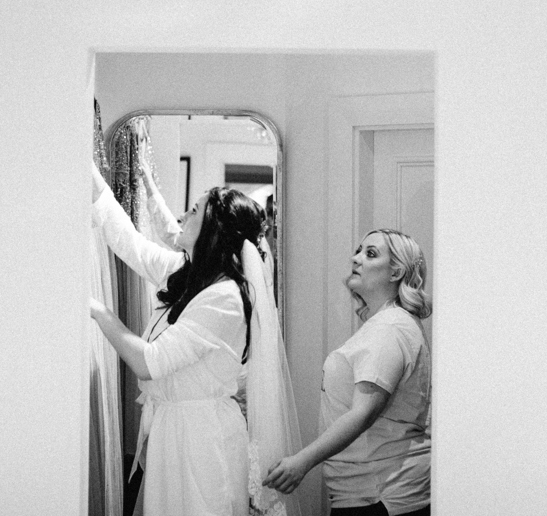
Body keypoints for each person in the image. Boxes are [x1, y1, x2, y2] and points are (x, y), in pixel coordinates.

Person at [88, 164, 300, 516]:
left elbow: (148, 362)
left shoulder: (226, 298)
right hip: (174, 429)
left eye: (195, 210)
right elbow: (130, 243)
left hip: (202, 438)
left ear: (214, 230)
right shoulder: (186, 275)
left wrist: (98, 310)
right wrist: (90, 174)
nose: (184, 215)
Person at [263, 229, 432, 516]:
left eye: (370, 253)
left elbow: (363, 412)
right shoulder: (390, 324)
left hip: (380, 495)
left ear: (396, 272)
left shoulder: (389, 328)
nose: (355, 259)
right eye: (358, 250)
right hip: (373, 492)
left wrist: (301, 463)